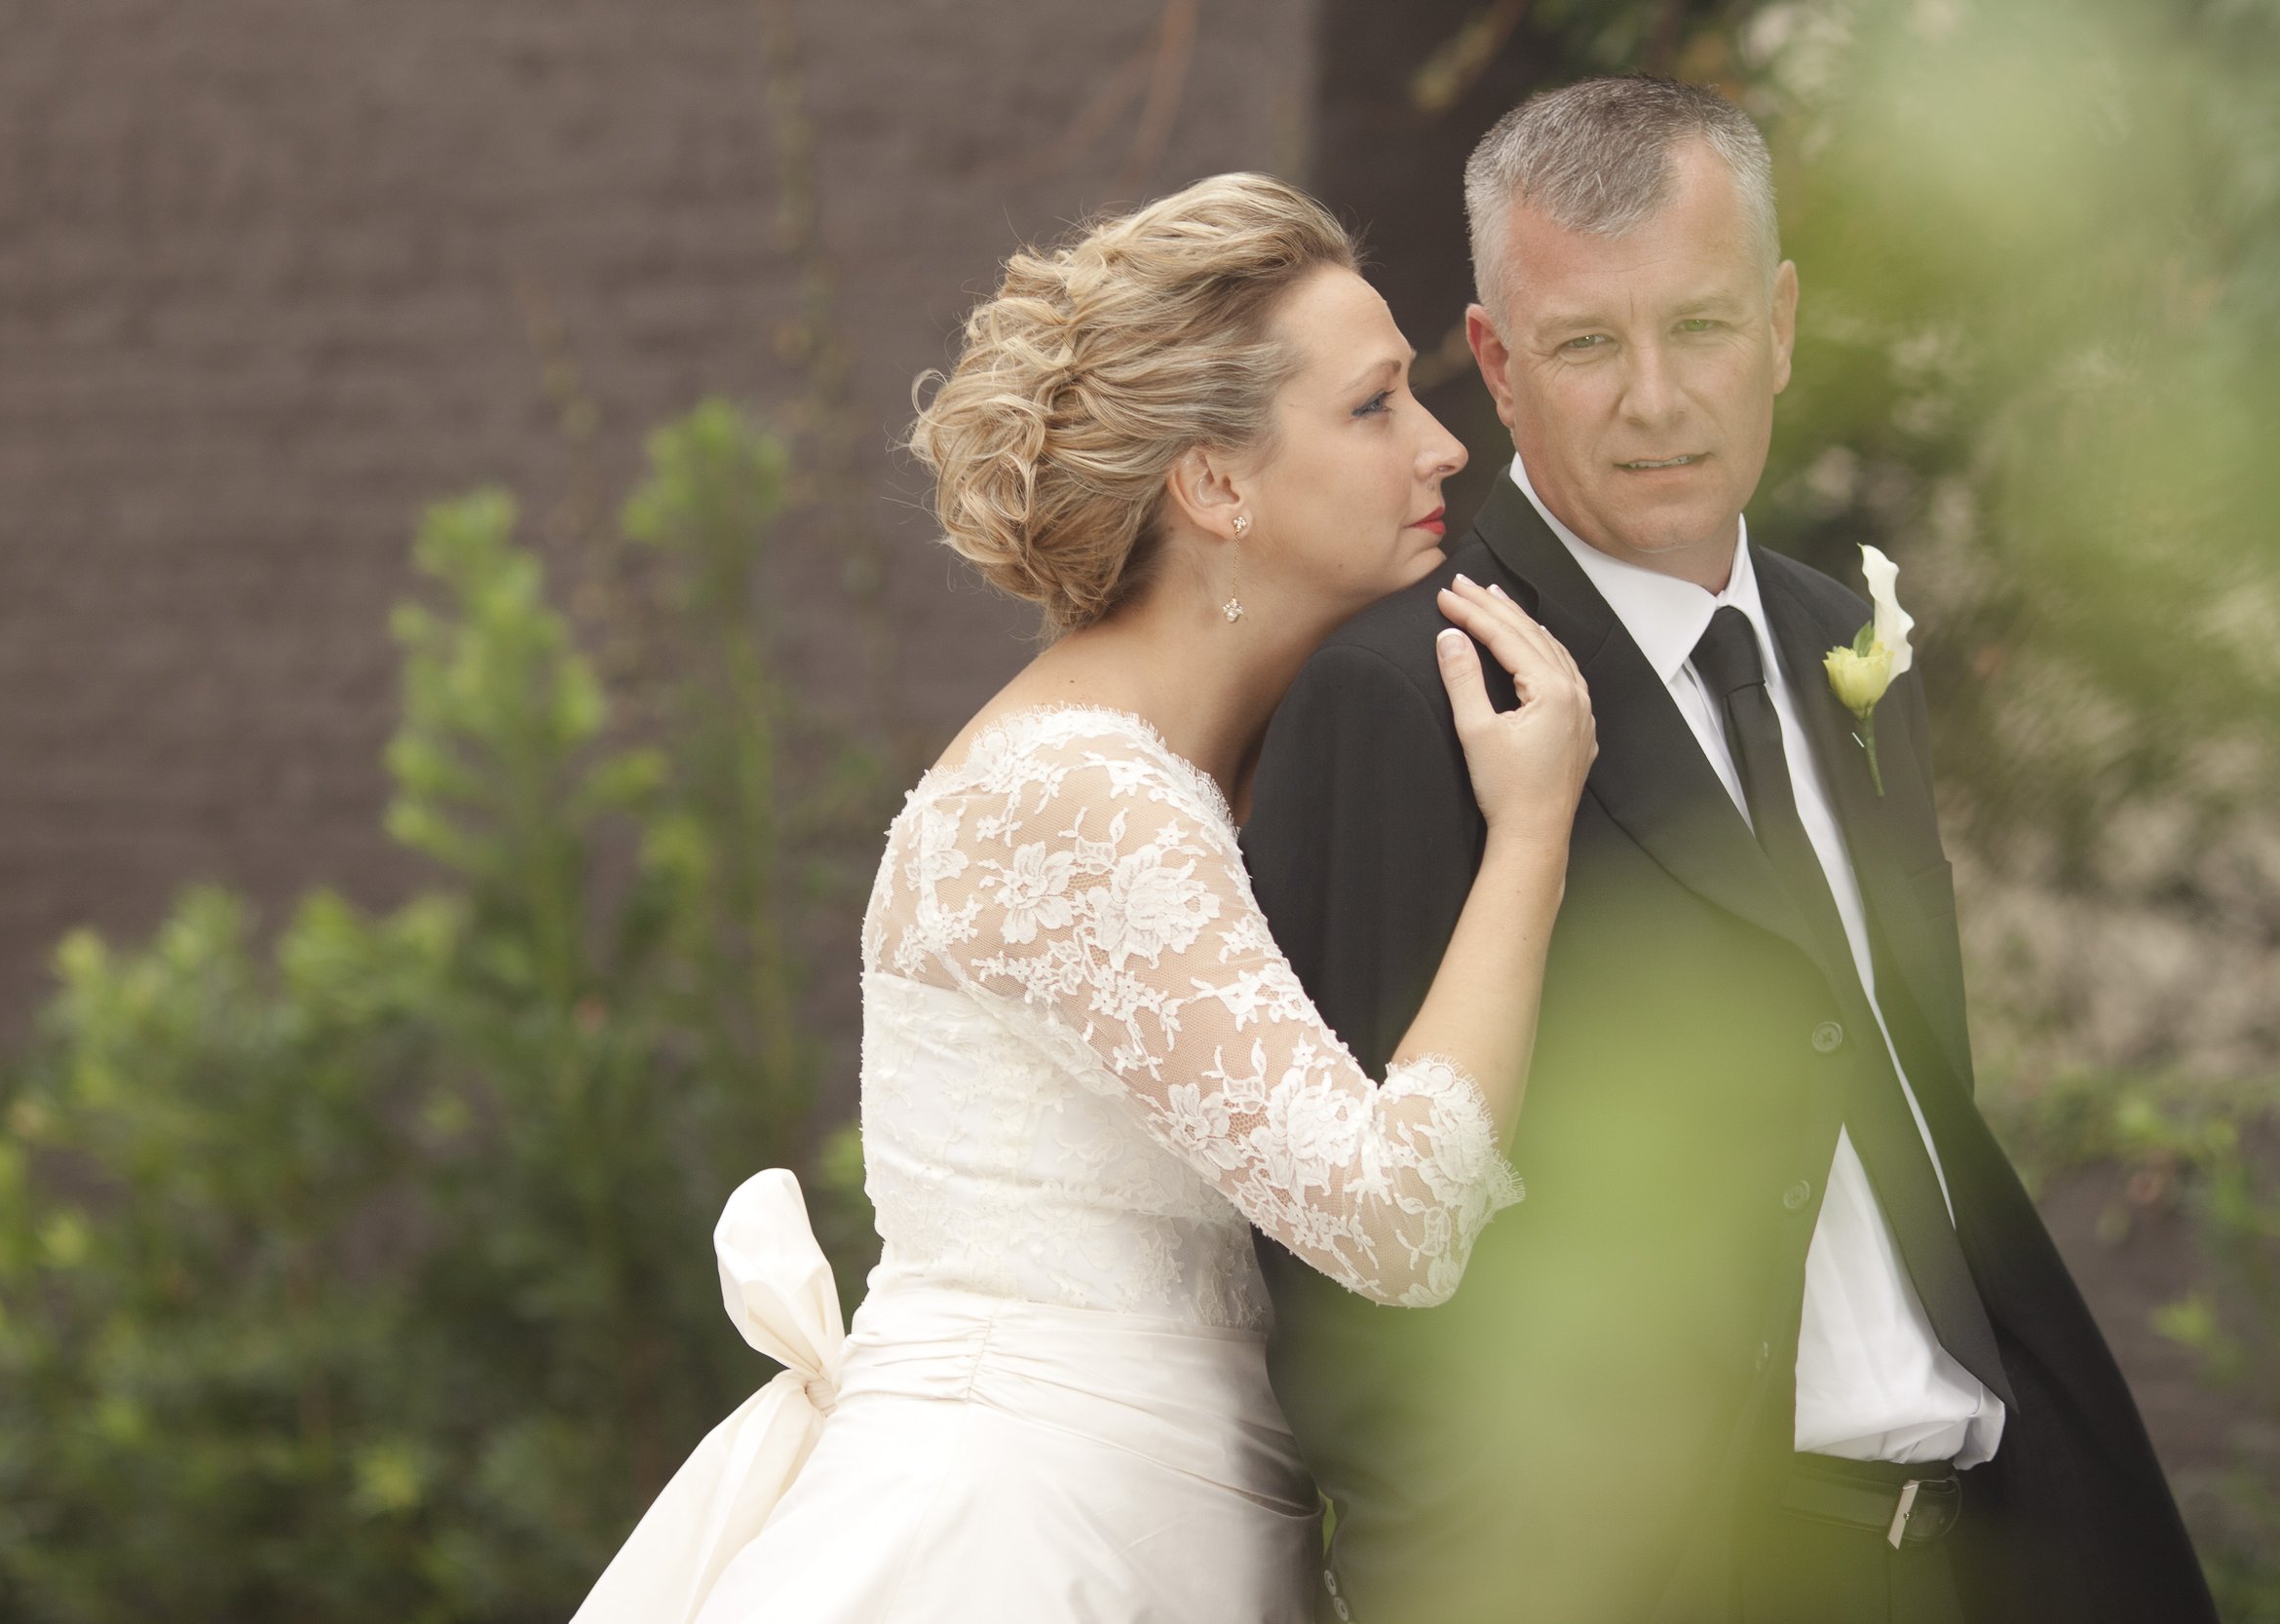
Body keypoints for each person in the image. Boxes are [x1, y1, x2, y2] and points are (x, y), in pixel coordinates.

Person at [1242, 76, 2217, 1624]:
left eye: (1697, 327)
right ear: (1496, 364)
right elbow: (1341, 1287)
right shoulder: (1398, 697)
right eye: (1584, 344)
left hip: (1978, 1551)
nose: (1654, 398)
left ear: (1778, 324)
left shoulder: (1850, 650)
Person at [567, 172, 1596, 1624]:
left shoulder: (1218, 774)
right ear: (1217, 483)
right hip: (1019, 1538)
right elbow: (1394, 1219)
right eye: (1373, 406)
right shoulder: (1074, 801)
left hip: (1174, 1531)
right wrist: (1535, 831)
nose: (1440, 445)